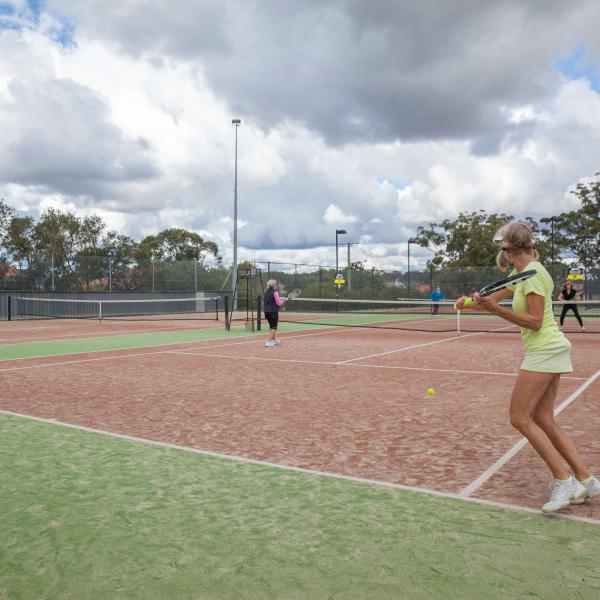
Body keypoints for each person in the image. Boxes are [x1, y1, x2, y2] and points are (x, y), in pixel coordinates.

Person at [456, 221, 599, 512]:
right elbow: (492, 299)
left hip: (544, 349)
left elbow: (534, 322)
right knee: (544, 418)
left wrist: (495, 310)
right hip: (550, 348)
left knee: (519, 418)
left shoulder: (533, 275)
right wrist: (469, 302)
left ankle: (564, 480)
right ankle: (587, 480)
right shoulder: (520, 272)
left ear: (507, 250)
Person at [263, 279, 285, 348]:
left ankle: (274, 340)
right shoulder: (275, 292)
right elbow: (279, 303)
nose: (277, 285)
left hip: (266, 311)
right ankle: (268, 341)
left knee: (271, 326)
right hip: (273, 312)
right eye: (276, 284)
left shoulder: (266, 292)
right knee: (273, 327)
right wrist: (283, 301)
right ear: (274, 285)